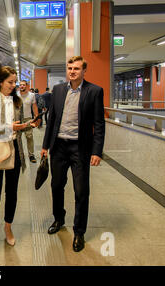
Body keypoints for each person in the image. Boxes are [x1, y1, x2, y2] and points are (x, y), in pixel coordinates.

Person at [40, 56, 105, 252]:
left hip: (80, 149)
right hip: (58, 146)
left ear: (84, 71)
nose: (72, 71)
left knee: (81, 191)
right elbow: (51, 120)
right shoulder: (58, 90)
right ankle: (59, 218)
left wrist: (97, 151)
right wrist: (45, 145)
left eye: (76, 68)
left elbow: (99, 124)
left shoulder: (94, 91)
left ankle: (79, 231)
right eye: (70, 68)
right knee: (56, 185)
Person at [0, 66, 37, 261]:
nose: (14, 86)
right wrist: (9, 126)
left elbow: (20, 125)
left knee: (12, 193)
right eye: (10, 82)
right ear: (0, 82)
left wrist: (25, 126)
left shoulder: (17, 101)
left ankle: (7, 227)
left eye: (15, 82)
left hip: (15, 149)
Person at [17, 80, 40, 163]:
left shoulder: (31, 95)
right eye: (20, 85)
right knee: (17, 138)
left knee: (29, 137)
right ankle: (19, 155)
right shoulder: (16, 95)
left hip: (28, 119)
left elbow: (34, 106)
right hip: (18, 119)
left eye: (23, 85)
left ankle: (31, 155)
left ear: (26, 86)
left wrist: (37, 118)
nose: (21, 86)